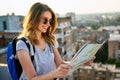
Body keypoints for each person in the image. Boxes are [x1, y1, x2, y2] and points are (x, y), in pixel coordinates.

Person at [16, 2, 95, 80]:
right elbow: (32, 78)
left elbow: (60, 64)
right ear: (34, 19)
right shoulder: (23, 44)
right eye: (45, 20)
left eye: (50, 21)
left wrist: (82, 62)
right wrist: (54, 74)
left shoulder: (50, 40)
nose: (48, 24)